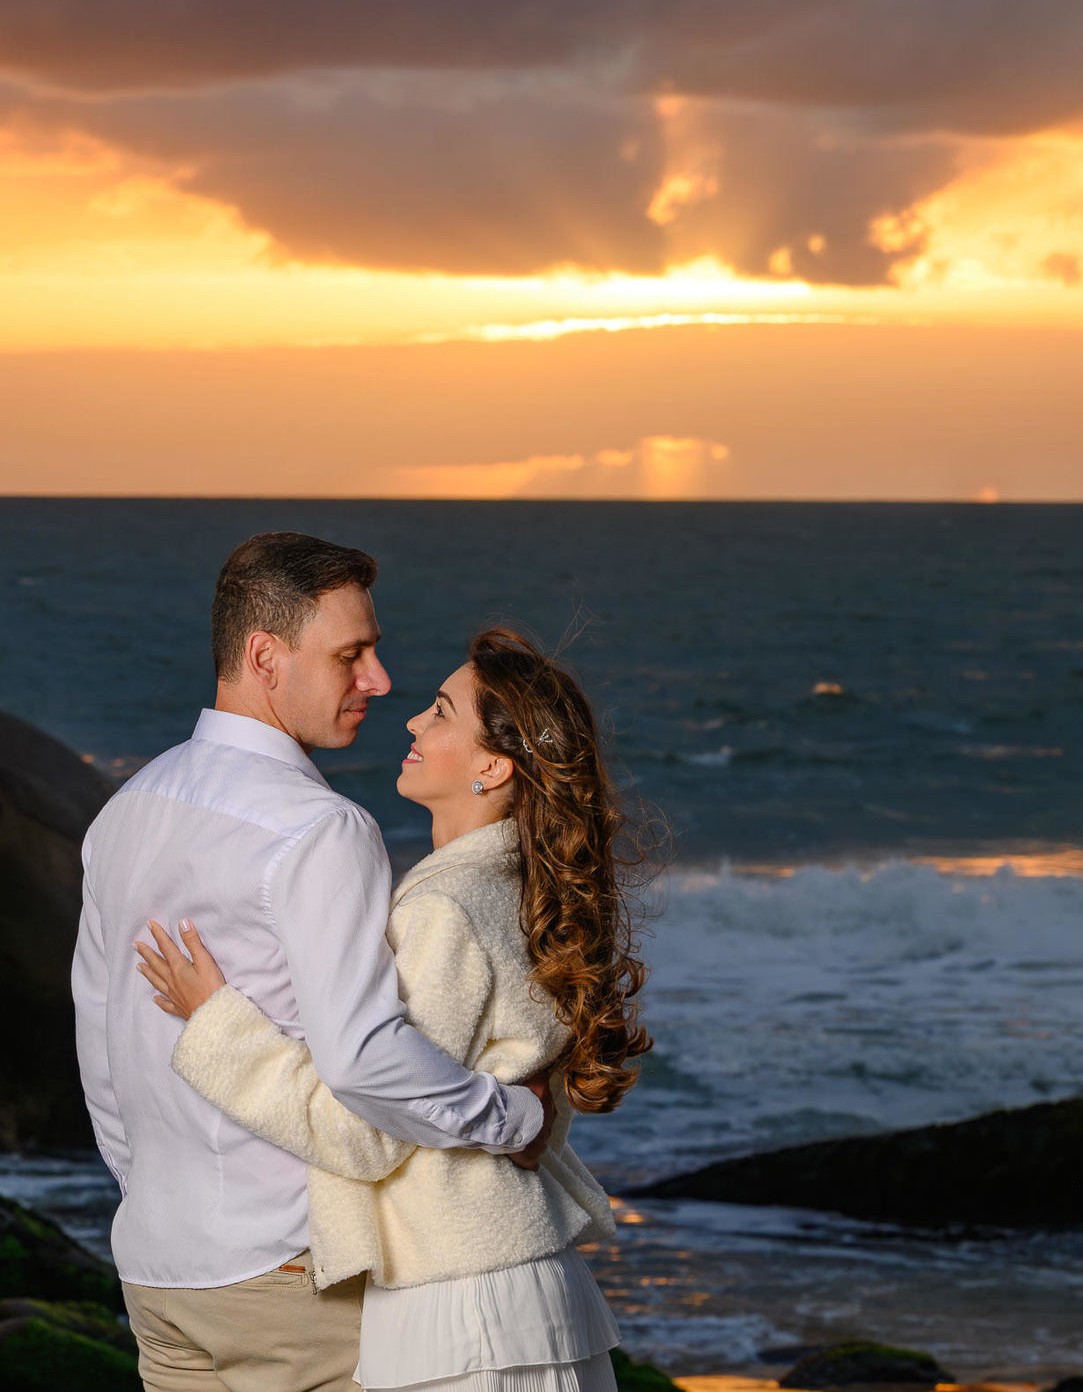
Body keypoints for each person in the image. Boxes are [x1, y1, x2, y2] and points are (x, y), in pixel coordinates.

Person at [72, 534, 552, 1392]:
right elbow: (365, 1063)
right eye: (351, 655)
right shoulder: (322, 830)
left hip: (155, 1268)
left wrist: (160, 1202)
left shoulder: (124, 811)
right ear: (265, 656)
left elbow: (102, 1049)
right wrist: (512, 1120)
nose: (378, 680)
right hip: (289, 1273)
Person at [136, 627, 651, 1392]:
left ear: (492, 766)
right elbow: (523, 1089)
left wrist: (217, 1026)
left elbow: (368, 1132)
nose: (412, 722)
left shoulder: (445, 906)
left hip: (463, 1311)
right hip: (522, 1289)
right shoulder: (525, 894)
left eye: (441, 713)